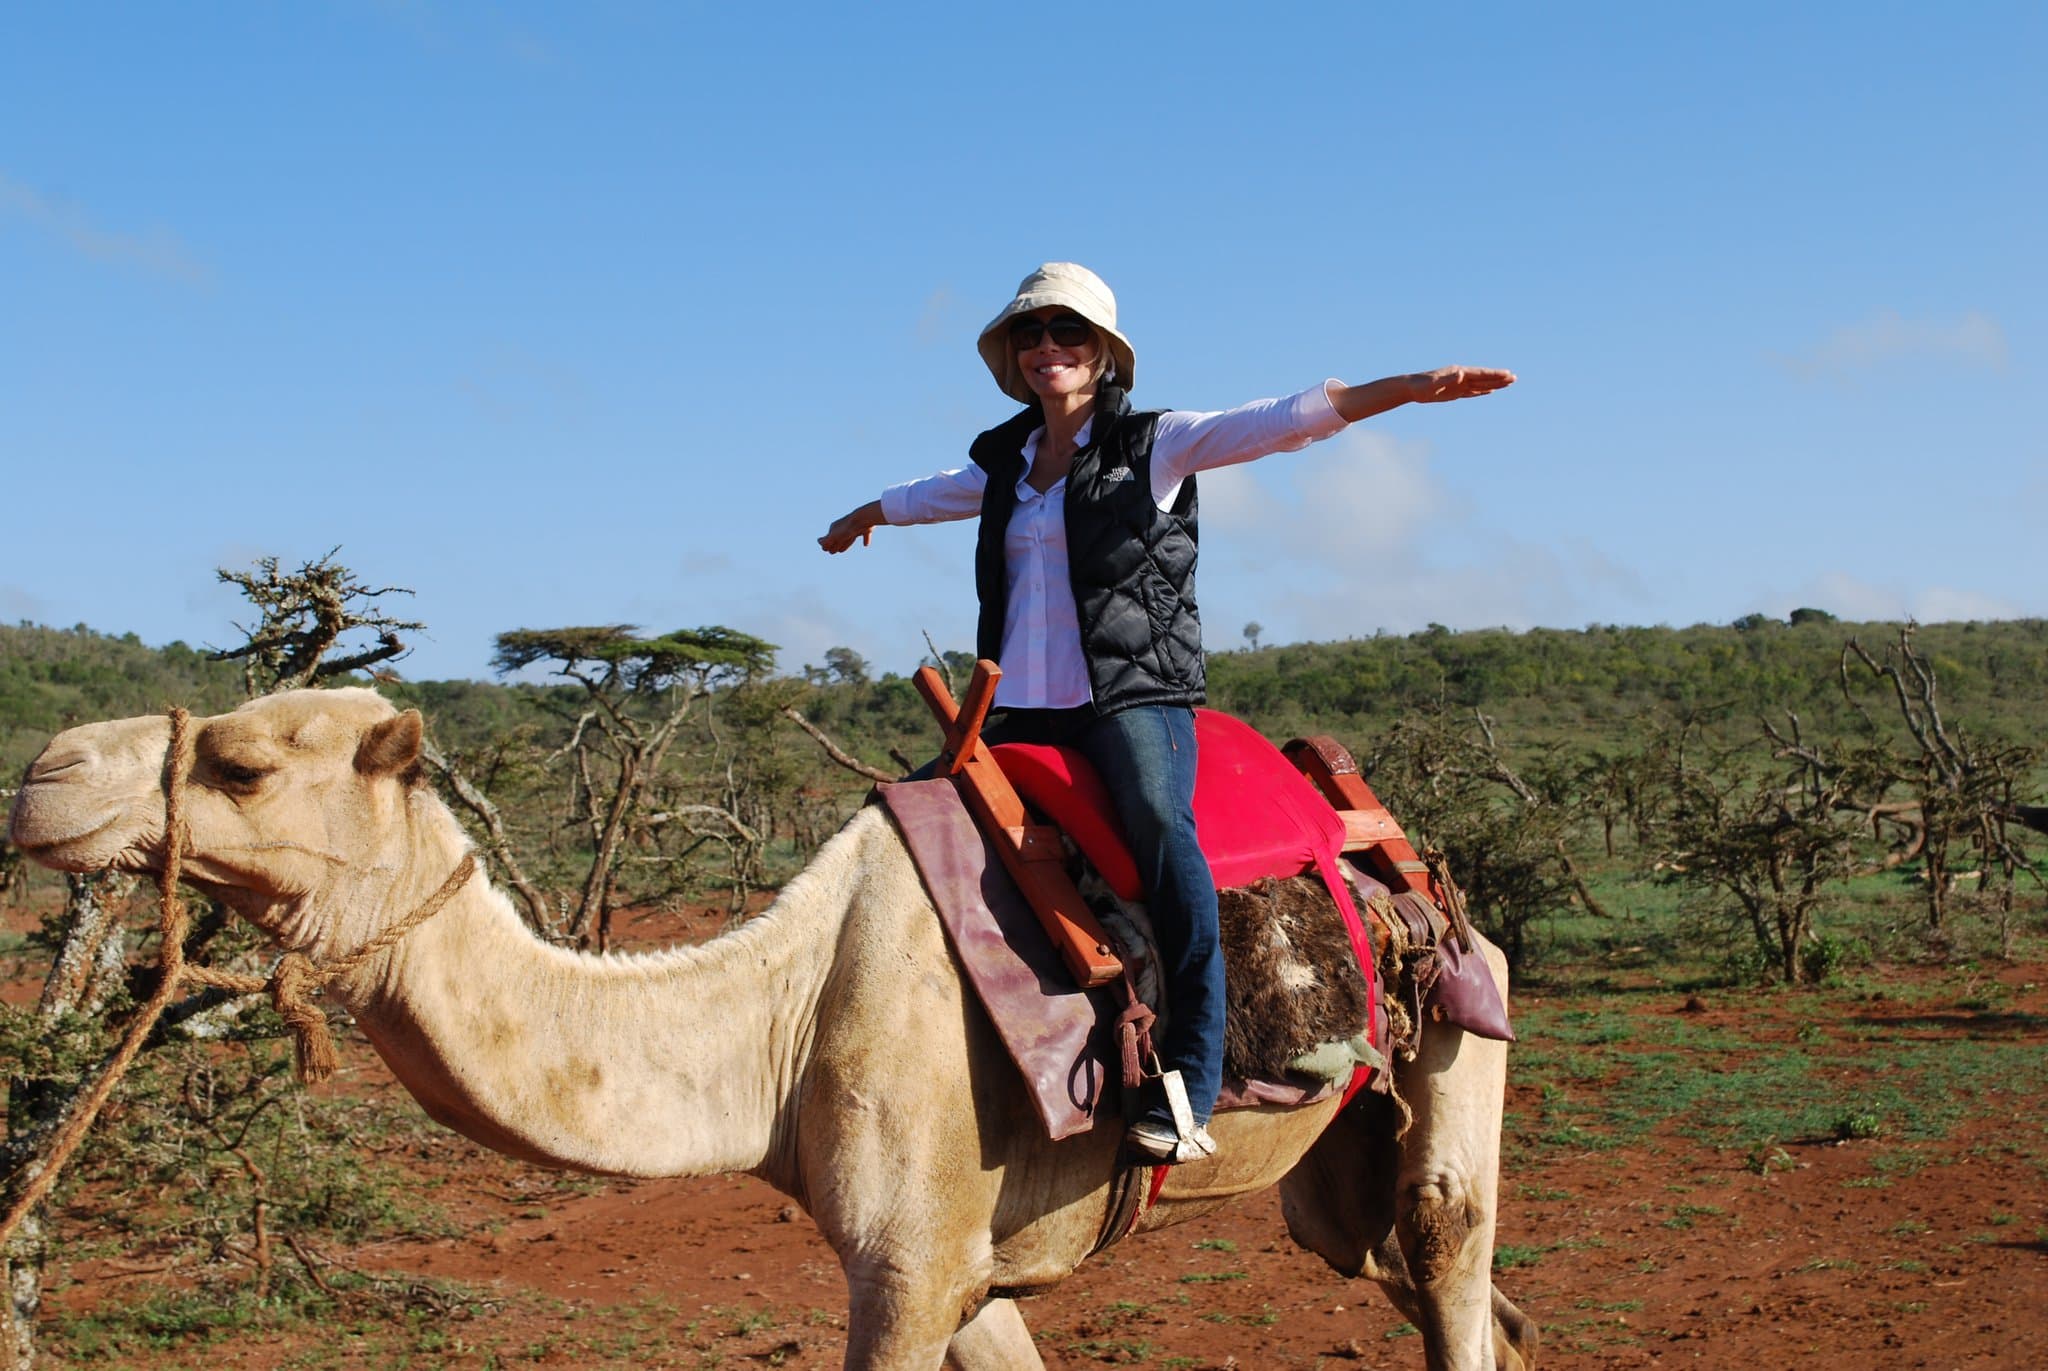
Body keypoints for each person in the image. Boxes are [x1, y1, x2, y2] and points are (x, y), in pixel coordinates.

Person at [820, 263, 1513, 1162]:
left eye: (1067, 331)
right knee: (904, 817)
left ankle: (1193, 1072)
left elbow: (1280, 421)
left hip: (1129, 696)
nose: (1047, 348)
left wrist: (1408, 388)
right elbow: (931, 493)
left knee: (1157, 822)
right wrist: (866, 514)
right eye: (1031, 333)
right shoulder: (1005, 465)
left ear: (1103, 350)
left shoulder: (1157, 443)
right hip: (1020, 708)